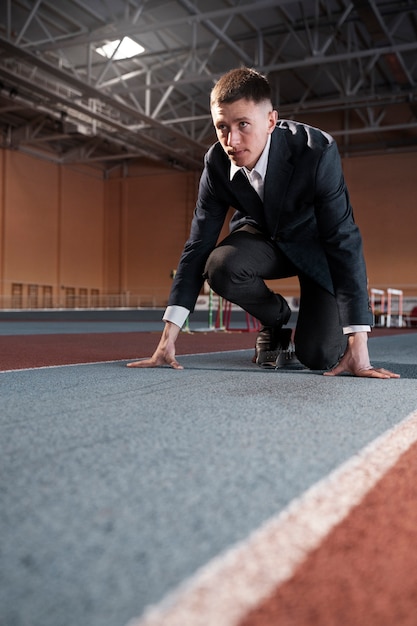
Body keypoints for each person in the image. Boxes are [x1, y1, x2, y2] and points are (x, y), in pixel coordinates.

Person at [128, 67, 399, 379]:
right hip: (262, 237)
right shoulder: (216, 163)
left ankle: (328, 328)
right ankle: (277, 317)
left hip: (317, 247)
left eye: (243, 124)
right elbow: (198, 245)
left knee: (320, 356)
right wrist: (167, 340)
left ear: (271, 120)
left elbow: (342, 237)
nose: (232, 140)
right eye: (221, 127)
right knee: (220, 266)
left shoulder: (317, 151)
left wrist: (359, 345)